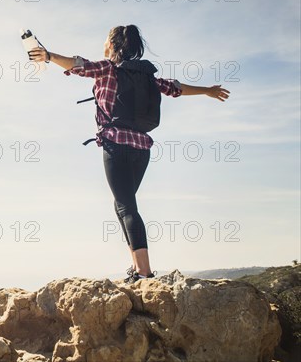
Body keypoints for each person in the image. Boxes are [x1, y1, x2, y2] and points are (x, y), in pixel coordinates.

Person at [29, 25, 230, 283]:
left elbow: (79, 64)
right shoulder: (148, 77)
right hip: (142, 149)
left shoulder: (108, 68)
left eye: (105, 42)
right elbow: (175, 88)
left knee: (125, 206)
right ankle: (137, 268)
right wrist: (207, 90)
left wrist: (48, 56)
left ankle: (144, 273)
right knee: (123, 205)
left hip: (116, 144)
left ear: (112, 46)